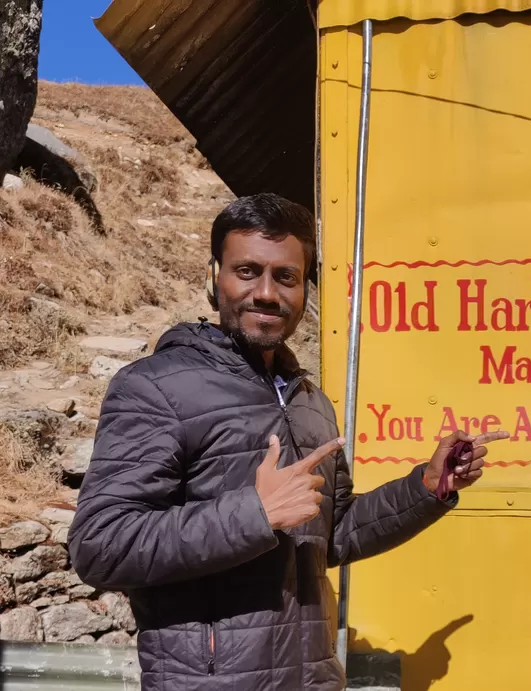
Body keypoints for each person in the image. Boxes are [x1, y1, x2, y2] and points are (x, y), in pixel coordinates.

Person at [67, 193, 508, 691]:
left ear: (304, 289)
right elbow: (99, 546)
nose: (266, 293)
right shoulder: (155, 387)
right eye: (247, 271)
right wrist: (254, 513)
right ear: (215, 279)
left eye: (286, 277)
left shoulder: (309, 401)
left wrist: (425, 488)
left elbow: (332, 536)